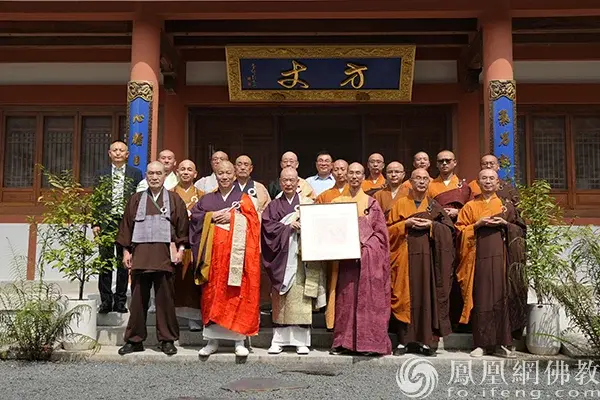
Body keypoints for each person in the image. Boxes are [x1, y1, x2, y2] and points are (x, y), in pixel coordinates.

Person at [116, 161, 189, 356]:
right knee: (138, 300)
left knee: (165, 299)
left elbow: (182, 228)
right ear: (146, 176)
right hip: (140, 255)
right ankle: (134, 340)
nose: (154, 177)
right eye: (151, 174)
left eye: (158, 173)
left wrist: (181, 249)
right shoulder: (136, 199)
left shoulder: (174, 200)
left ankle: (167, 339)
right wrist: (126, 251)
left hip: (164, 255)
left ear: (165, 176)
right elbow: (126, 227)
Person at [190, 161, 261, 357]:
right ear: (215, 174)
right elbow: (195, 217)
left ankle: (239, 341)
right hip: (213, 258)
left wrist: (234, 218)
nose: (224, 177)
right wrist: (210, 216)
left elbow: (254, 224)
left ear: (235, 174)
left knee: (236, 296)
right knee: (212, 296)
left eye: (228, 173)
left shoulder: (244, 198)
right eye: (220, 173)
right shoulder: (207, 200)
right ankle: (212, 341)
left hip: (236, 259)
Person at [456, 169, 527, 358]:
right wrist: (476, 225)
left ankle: (501, 344)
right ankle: (480, 343)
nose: (487, 182)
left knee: (501, 297)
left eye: (491, 178)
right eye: (484, 178)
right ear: (478, 182)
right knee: (481, 299)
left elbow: (520, 229)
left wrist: (505, 225)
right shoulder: (470, 206)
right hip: (478, 258)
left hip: (502, 258)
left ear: (498, 183)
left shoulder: (506, 206)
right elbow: (459, 231)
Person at [387, 168, 455, 357]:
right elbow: (387, 231)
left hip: (427, 261)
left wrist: (432, 226)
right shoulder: (400, 204)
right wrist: (404, 225)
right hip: (404, 258)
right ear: (410, 181)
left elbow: (449, 230)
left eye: (425, 178)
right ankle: (403, 342)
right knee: (404, 297)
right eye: (418, 178)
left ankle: (426, 341)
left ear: (429, 182)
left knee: (426, 296)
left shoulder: (434, 206)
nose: (422, 182)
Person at [261, 167, 326, 355]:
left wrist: (304, 226)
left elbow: (318, 227)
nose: (288, 184)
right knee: (281, 302)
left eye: (292, 180)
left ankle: (301, 341)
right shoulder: (273, 206)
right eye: (285, 180)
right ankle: (278, 340)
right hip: (281, 259)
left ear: (298, 182)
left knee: (300, 300)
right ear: (280, 182)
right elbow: (267, 229)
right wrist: (288, 227)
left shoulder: (307, 203)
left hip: (300, 259)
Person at [330, 163, 392, 356]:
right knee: (346, 301)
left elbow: (381, 235)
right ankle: (344, 342)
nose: (354, 176)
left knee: (368, 301)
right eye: (351, 173)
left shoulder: (370, 202)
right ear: (345, 176)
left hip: (366, 260)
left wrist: (363, 242)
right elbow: (329, 229)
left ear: (363, 176)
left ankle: (369, 344)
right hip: (346, 261)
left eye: (358, 173)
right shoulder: (336, 201)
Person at [93, 140, 143, 314]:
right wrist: (95, 223)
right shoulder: (101, 174)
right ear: (109, 153)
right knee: (105, 264)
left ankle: (120, 301)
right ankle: (105, 301)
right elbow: (96, 200)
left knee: (123, 262)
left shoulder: (135, 174)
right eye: (115, 150)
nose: (118, 153)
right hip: (106, 222)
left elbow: (140, 199)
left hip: (126, 223)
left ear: (127, 154)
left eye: (122, 150)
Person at [314, 158, 348, 330]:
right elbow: (316, 219)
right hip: (331, 246)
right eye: (337, 169)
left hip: (351, 249)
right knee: (331, 282)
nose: (340, 172)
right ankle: (331, 318)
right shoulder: (325, 195)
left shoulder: (357, 193)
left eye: (343, 169)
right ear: (332, 172)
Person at [171, 160, 204, 331]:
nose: (185, 172)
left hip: (194, 243)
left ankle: (193, 318)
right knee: (173, 280)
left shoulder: (202, 194)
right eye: (182, 169)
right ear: (177, 172)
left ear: (195, 174)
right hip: (174, 243)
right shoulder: (169, 193)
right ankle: (172, 317)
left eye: (189, 169)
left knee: (191, 281)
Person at [427, 150, 471, 221]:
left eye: (448, 161)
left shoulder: (464, 186)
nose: (444, 163)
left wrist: (458, 212)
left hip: (458, 225)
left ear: (455, 163)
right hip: (437, 224)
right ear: (437, 164)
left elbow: (470, 209)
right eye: (441, 161)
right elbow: (426, 208)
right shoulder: (430, 185)